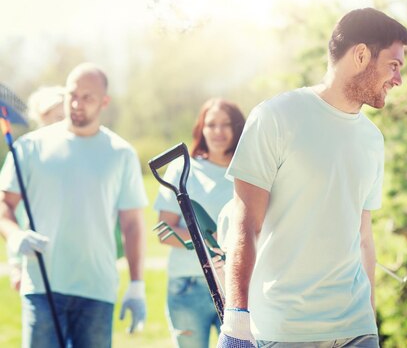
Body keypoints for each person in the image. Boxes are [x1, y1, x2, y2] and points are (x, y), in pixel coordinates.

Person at [217, 8, 407, 347]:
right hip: (287, 330)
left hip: (356, 329)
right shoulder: (276, 117)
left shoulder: (371, 139)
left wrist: (371, 322)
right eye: (393, 65)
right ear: (362, 54)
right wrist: (236, 322)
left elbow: (364, 236)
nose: (398, 79)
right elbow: (245, 222)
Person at [0, 63, 148, 347]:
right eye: (72, 95)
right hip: (42, 284)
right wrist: (15, 235)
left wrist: (137, 284)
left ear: (104, 102)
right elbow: (5, 204)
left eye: (87, 97)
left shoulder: (121, 153)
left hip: (97, 289)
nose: (77, 104)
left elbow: (132, 224)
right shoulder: (30, 146)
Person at [153, 98, 245, 348]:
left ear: (238, 128)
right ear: (201, 129)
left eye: (226, 124)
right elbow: (165, 231)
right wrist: (204, 244)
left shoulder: (248, 171)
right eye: (211, 124)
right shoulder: (183, 168)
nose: (218, 132)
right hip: (188, 285)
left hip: (237, 285)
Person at [7, 85, 66, 291]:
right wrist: (16, 264)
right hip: (32, 257)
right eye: (58, 117)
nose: (64, 122)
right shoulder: (27, 151)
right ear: (43, 117)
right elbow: (11, 212)